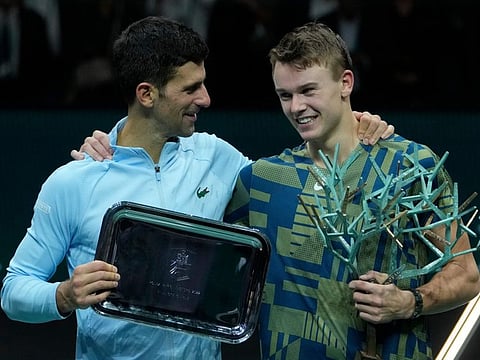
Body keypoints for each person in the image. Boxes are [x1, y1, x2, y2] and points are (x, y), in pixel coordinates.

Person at [1, 16, 393, 360]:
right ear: (147, 94)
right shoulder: (73, 182)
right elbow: (14, 289)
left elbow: (296, 178)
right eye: (191, 88)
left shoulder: (216, 157)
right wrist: (64, 295)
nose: (205, 98)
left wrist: (351, 123)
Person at [221, 21, 480, 359]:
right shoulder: (260, 180)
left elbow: (466, 276)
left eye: (309, 90)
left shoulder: (409, 166)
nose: (296, 107)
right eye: (285, 95)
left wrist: (409, 302)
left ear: (345, 83)